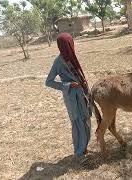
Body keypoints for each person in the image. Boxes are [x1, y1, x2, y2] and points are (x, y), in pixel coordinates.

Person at [45, 33, 91, 163]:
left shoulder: (72, 57)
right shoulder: (58, 62)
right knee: (77, 123)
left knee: (86, 120)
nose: (71, 46)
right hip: (72, 98)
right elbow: (48, 82)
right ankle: (79, 152)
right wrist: (68, 85)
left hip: (82, 94)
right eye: (69, 44)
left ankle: (85, 147)